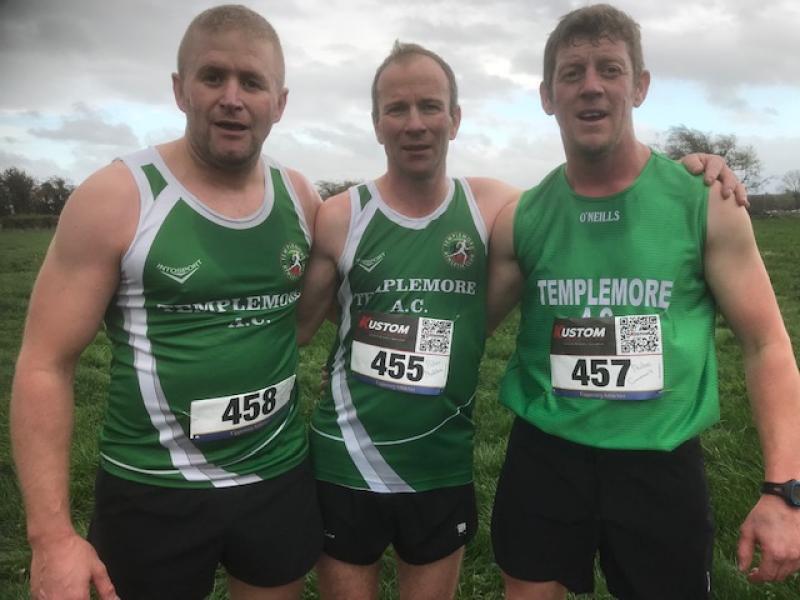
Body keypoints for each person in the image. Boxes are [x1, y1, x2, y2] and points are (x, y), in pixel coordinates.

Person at [296, 41, 744, 600]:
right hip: (346, 453)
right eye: (397, 109)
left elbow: (592, 189)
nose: (415, 124)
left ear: (455, 119)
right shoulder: (340, 215)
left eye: (431, 106)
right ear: (376, 122)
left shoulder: (497, 207)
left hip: (440, 458)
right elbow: (304, 322)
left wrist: (688, 170)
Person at [487, 4, 800, 599]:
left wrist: (785, 489)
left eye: (610, 69)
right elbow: (466, 326)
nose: (592, 86)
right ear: (547, 96)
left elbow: (766, 344)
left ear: (640, 86)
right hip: (545, 458)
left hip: (659, 462)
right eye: (572, 72)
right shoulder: (522, 217)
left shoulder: (704, 202)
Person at [10, 5, 323, 600]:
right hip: (153, 486)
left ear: (279, 103)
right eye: (213, 77)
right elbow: (45, 364)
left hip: (276, 474)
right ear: (181, 90)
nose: (232, 98)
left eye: (252, 82)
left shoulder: (300, 197)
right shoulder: (117, 197)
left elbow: (303, 324)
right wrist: (50, 537)